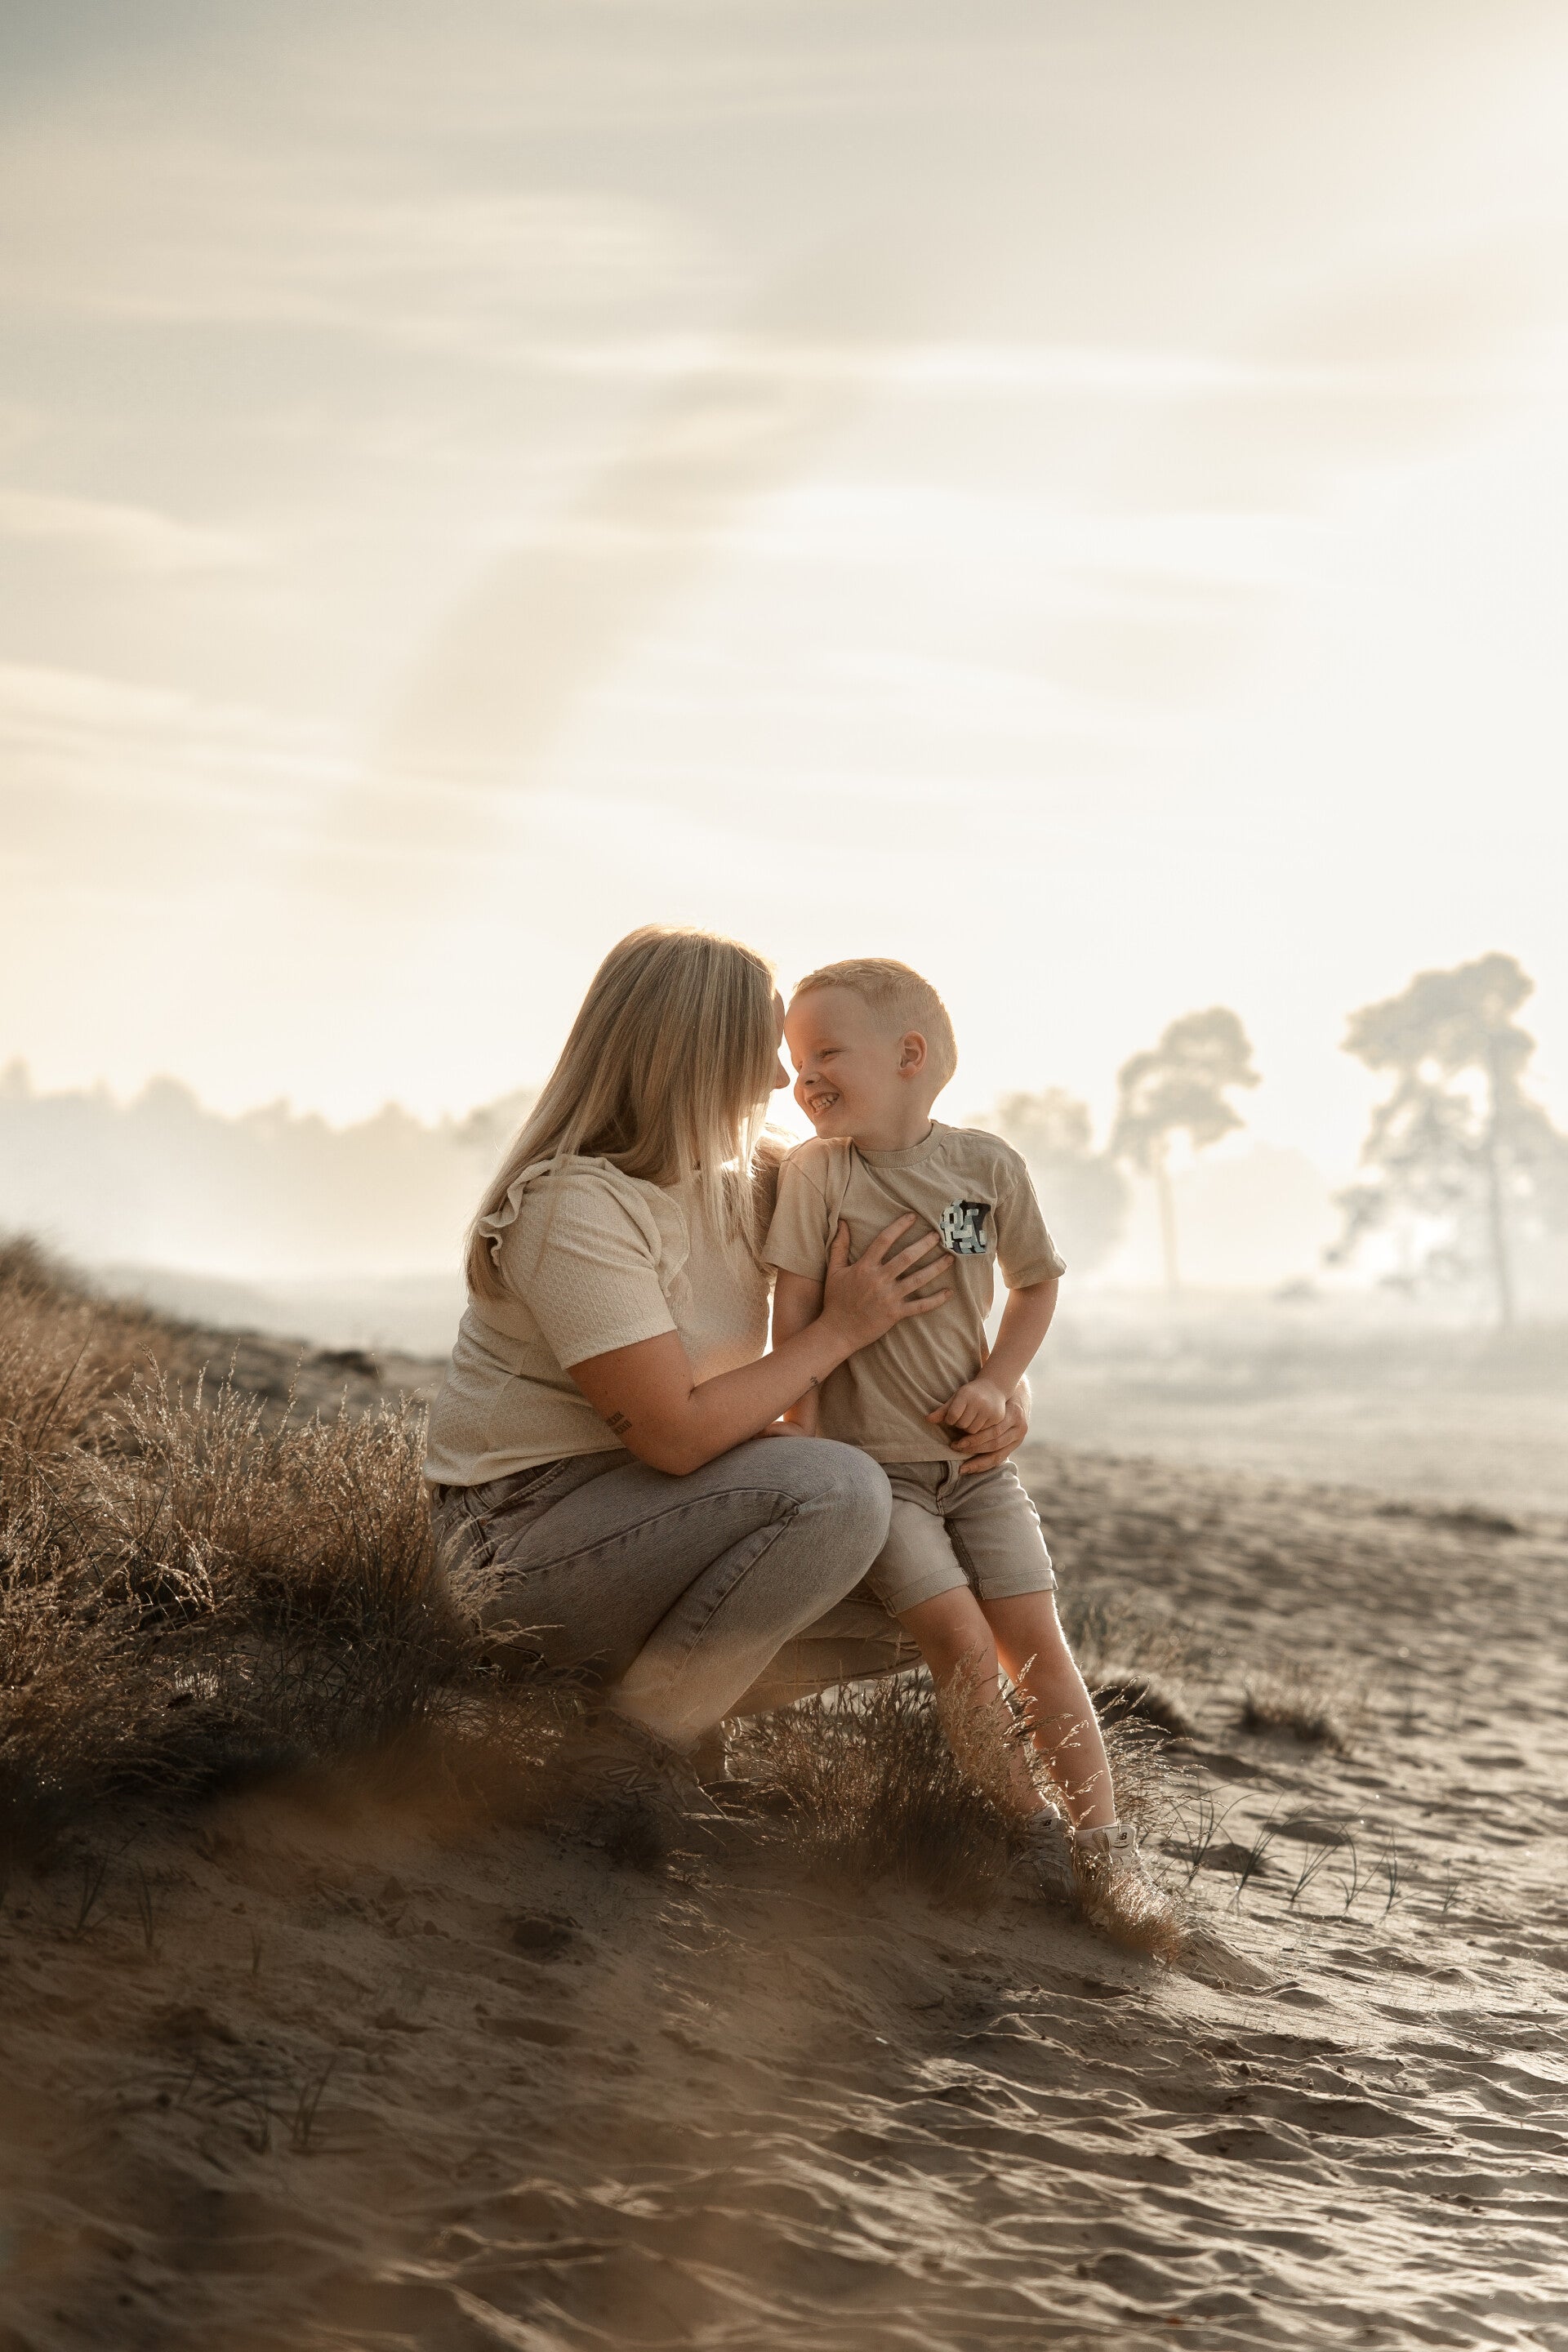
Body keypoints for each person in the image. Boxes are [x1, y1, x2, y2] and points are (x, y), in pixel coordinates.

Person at [423, 924, 1028, 1847]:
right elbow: (669, 1435)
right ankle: (628, 1752)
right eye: (764, 1052)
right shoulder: (574, 1205)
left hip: (674, 1515)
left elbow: (952, 1257)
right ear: (696, 1051)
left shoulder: (772, 1179)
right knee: (838, 1490)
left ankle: (655, 1707)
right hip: (520, 1540)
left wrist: (1002, 1385)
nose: (783, 1084)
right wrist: (839, 1331)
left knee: (956, 1576)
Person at [765, 956, 1161, 1924]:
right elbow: (796, 1318)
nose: (802, 1077)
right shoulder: (819, 1175)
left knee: (1041, 1645)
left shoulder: (980, 1172)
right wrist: (808, 1456)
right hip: (878, 1479)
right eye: (792, 1058)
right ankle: (1025, 1836)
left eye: (824, 1053)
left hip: (978, 1471)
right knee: (958, 1643)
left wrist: (997, 1380)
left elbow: (1022, 1285)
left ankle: (1104, 1849)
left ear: (909, 1056)